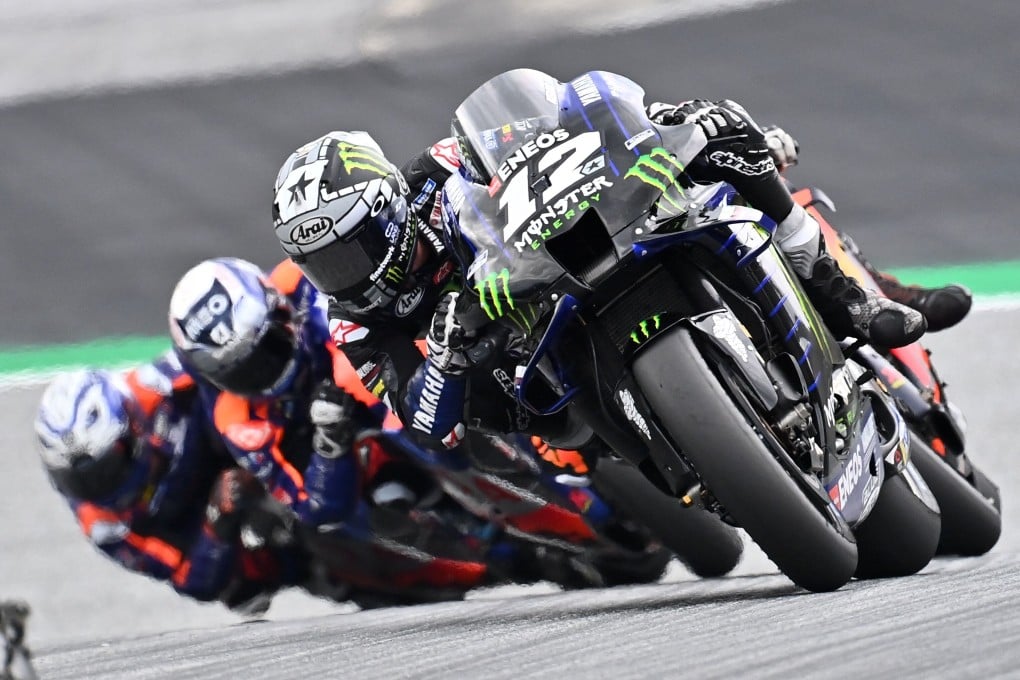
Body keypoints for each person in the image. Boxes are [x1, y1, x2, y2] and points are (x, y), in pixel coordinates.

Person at [269, 72, 969, 450]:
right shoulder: (355, 320)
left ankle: (856, 298)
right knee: (523, 427)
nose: (345, 274)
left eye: (349, 250)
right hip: (526, 374)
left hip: (558, 257)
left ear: (389, 208)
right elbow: (427, 425)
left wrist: (654, 125)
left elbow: (548, 137)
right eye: (324, 263)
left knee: (715, 145)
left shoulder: (437, 171)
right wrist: (448, 359)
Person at [33, 359, 304, 614]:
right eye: (77, 480)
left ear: (131, 429)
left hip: (236, 446)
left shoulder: (156, 383)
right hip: (206, 518)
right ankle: (313, 569)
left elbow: (226, 366)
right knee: (238, 590)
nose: (97, 487)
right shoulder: (104, 526)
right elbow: (188, 579)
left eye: (106, 469)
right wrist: (217, 521)